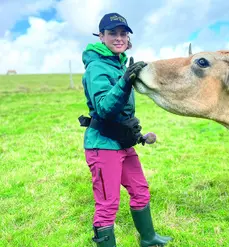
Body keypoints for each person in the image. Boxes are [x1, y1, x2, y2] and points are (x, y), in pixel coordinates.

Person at [79, 12, 172, 247]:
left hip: (122, 142)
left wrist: (138, 136)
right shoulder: (96, 67)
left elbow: (122, 113)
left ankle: (149, 238)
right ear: (101, 36)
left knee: (140, 190)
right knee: (108, 204)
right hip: (102, 146)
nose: (118, 38)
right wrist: (125, 81)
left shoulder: (119, 62)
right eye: (112, 33)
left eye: (123, 34)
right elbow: (103, 108)